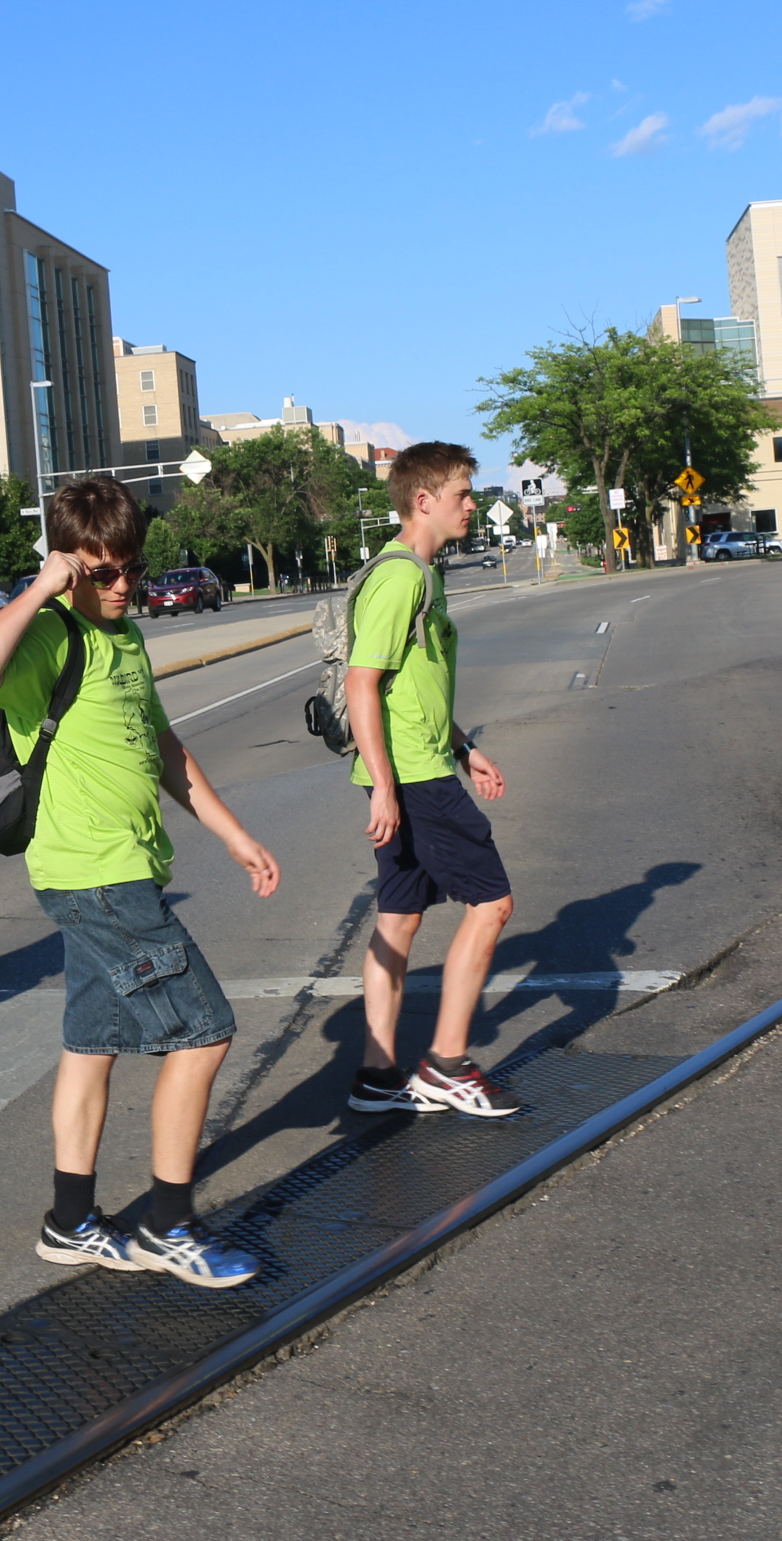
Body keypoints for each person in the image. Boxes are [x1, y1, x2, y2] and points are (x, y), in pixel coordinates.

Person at [0, 476, 278, 1288]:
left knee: (90, 1048)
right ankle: (170, 1226)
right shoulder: (48, 636)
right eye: (103, 572)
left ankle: (70, 1223)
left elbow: (163, 747)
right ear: (68, 565)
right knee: (204, 1032)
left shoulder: (123, 637)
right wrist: (40, 590)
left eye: (132, 568)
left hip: (122, 871)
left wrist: (233, 834)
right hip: (97, 879)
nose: (124, 584)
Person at [343, 443, 523, 1120]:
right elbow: (362, 684)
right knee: (492, 904)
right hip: (412, 777)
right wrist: (387, 787)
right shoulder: (401, 579)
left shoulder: (421, 573)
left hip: (419, 763)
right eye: (462, 495)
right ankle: (447, 1064)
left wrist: (464, 747)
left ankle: (377, 1075)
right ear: (424, 502)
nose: (472, 505)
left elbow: (411, 689)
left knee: (399, 916)